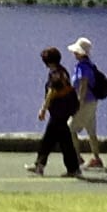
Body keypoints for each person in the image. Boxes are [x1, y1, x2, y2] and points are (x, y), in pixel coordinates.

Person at [25, 47, 82, 179]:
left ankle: (40, 166)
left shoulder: (55, 74)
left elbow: (52, 92)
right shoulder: (63, 71)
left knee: (49, 140)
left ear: (48, 62)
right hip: (66, 110)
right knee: (64, 140)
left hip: (59, 112)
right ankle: (73, 168)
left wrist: (43, 109)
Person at [67, 37, 107, 171]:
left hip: (84, 103)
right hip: (93, 102)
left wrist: (78, 103)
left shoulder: (81, 67)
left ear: (80, 53)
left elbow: (83, 86)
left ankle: (77, 157)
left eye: (76, 51)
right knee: (91, 130)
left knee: (70, 128)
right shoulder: (90, 65)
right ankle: (96, 158)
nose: (74, 54)